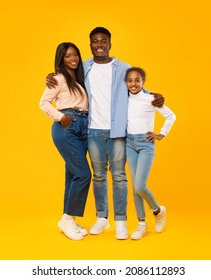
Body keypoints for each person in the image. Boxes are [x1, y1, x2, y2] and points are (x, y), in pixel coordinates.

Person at [45, 27, 164, 240]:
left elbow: (136, 86)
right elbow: (65, 74)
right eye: (95, 41)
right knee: (98, 176)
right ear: (90, 44)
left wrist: (153, 96)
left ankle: (120, 221)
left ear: (110, 43)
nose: (99, 44)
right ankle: (102, 217)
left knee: (118, 176)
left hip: (117, 130)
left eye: (103, 41)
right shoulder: (84, 67)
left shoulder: (124, 68)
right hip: (91, 130)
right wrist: (51, 77)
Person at [39, 42, 91, 241]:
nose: (73, 58)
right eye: (68, 55)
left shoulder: (79, 79)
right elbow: (43, 102)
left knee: (73, 175)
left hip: (83, 126)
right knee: (83, 174)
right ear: (61, 58)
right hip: (67, 126)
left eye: (75, 55)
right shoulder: (58, 79)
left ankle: (68, 219)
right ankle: (68, 219)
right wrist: (61, 118)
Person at [124, 67, 176, 240]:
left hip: (145, 144)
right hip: (129, 143)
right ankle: (141, 224)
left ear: (143, 82)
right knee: (134, 188)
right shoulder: (123, 99)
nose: (133, 84)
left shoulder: (150, 98)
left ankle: (158, 211)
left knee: (140, 186)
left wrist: (161, 134)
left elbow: (171, 116)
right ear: (126, 82)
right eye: (130, 80)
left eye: (137, 80)